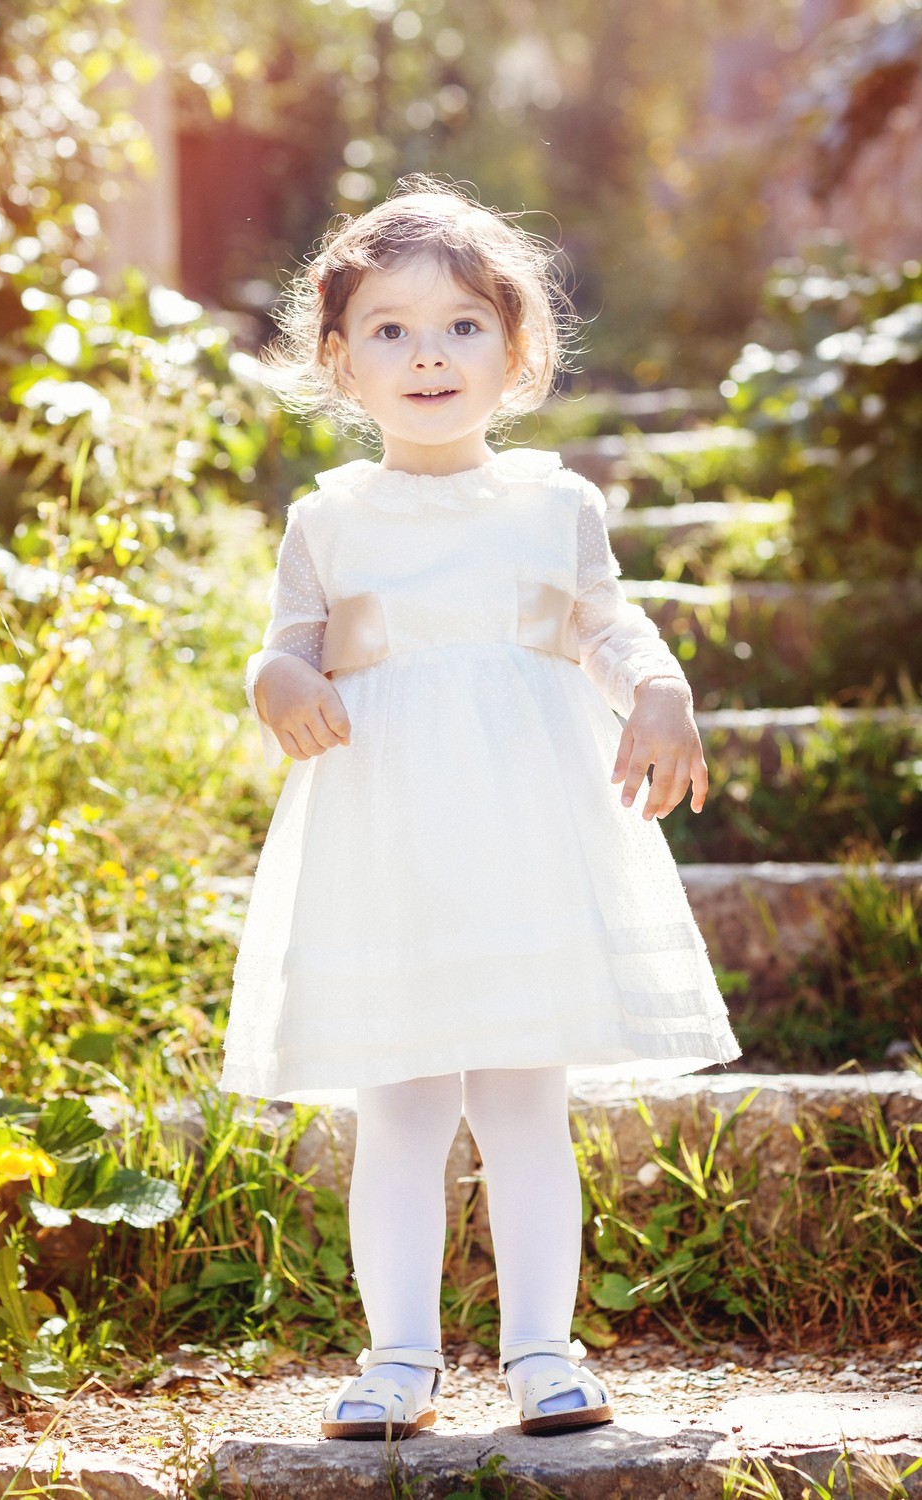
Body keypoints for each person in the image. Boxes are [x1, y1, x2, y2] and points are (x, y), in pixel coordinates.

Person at [219, 174, 742, 1441]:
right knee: (399, 1103)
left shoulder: (551, 505)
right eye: (389, 329)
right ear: (340, 362)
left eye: (461, 324)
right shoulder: (330, 520)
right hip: (389, 844)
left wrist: (659, 691)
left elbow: (602, 627)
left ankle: (543, 1356)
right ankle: (396, 1359)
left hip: (521, 841)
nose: (428, 352)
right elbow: (285, 648)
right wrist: (280, 678)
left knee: (520, 1102)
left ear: (517, 353)